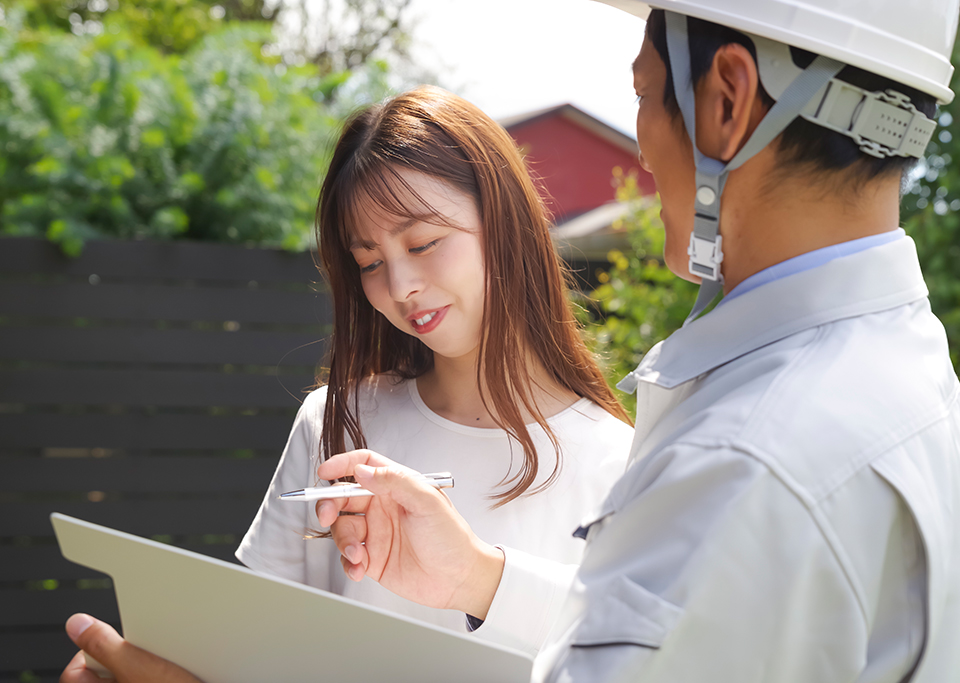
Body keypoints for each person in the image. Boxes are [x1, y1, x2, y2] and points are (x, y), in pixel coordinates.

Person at [64, 0, 960, 680]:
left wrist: (486, 585)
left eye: (645, 95)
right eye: (369, 259)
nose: (642, 145)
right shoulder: (906, 395)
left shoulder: (741, 456)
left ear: (728, 96)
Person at [59, 85, 634, 682]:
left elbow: (646, 658)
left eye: (423, 243)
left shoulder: (618, 464)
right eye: (370, 262)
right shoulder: (335, 421)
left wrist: (480, 577)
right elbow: (254, 656)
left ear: (505, 221)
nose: (401, 285)